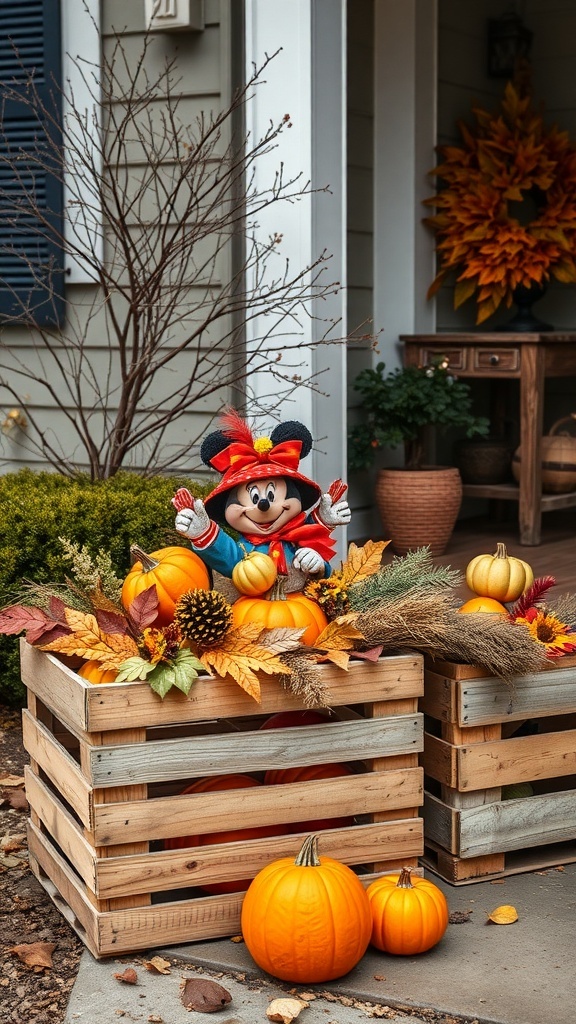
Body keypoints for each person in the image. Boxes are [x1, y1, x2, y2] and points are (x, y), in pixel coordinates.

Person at [173, 410, 350, 582]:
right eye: (254, 497)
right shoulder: (244, 550)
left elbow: (312, 538)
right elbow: (230, 562)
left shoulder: (298, 537)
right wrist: (202, 532)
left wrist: (318, 562)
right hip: (252, 609)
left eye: (272, 494)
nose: (263, 505)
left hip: (302, 607)